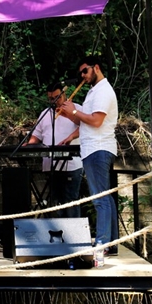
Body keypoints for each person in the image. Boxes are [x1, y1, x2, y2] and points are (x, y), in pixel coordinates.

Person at [59, 56, 119, 255]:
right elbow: (85, 120)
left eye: (85, 71)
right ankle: (111, 243)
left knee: (100, 199)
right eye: (81, 73)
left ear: (97, 68)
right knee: (105, 197)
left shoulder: (103, 91)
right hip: (94, 148)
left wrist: (75, 112)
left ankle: (101, 244)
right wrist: (70, 113)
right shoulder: (95, 92)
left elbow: (96, 121)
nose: (83, 76)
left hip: (98, 148)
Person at [25, 81, 83, 217]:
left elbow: (87, 128)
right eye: (51, 98)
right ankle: (58, 235)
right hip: (51, 165)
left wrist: (70, 137)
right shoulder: (45, 114)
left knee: (70, 200)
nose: (55, 101)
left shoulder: (77, 108)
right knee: (55, 202)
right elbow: (36, 136)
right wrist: (28, 145)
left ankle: (74, 236)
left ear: (64, 94)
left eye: (58, 97)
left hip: (72, 164)